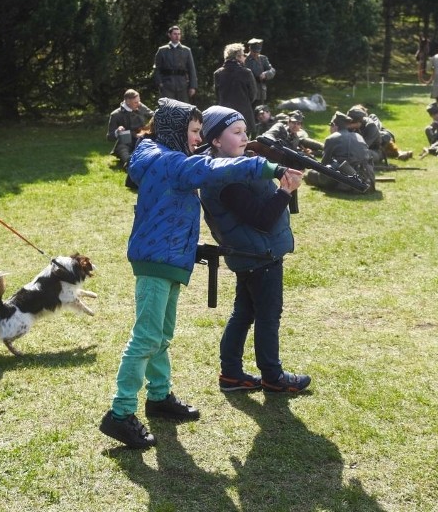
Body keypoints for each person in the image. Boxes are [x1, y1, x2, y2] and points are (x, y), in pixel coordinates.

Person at [99, 98, 294, 450]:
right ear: (175, 130)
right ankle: (120, 413)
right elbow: (216, 169)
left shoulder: (160, 158)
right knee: (145, 338)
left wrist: (193, 248)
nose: (197, 138)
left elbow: (169, 213)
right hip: (157, 261)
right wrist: (268, 168)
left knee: (161, 335)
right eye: (192, 131)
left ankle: (158, 398)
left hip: (168, 257)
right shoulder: (171, 161)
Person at [198, 105, 310, 394]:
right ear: (216, 141)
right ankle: (273, 376)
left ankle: (232, 374)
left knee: (244, 313)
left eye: (245, 131)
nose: (244, 137)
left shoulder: (237, 165)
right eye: (236, 133)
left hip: (252, 254)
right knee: (267, 316)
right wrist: (285, 191)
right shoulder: (227, 179)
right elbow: (262, 219)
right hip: (260, 256)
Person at [303, 111, 375, 192]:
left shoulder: (331, 138)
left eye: (330, 125)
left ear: (334, 126)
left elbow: (323, 166)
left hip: (348, 183)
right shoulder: (358, 136)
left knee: (310, 174)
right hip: (367, 178)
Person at [213, 43, 257, 136]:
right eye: (243, 55)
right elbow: (253, 95)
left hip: (225, 116)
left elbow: (217, 95)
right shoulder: (246, 73)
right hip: (243, 114)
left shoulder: (218, 74)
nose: (244, 57)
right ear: (238, 57)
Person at [346, 105, 413, 163]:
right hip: (361, 148)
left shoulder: (370, 125)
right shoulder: (350, 126)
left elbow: (363, 147)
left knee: (362, 154)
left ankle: (399, 153)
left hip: (374, 149)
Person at [106, 89, 154, 170]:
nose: (138, 104)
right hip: (126, 141)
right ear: (128, 101)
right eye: (135, 102)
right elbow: (109, 137)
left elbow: (153, 115)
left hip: (142, 138)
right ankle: (129, 164)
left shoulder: (140, 106)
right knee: (122, 147)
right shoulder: (116, 115)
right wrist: (117, 131)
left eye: (139, 101)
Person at [153, 26, 198, 102]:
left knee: (183, 109)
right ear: (169, 35)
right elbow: (157, 69)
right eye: (175, 34)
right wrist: (160, 83)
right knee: (168, 108)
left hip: (182, 85)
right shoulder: (162, 50)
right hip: (167, 85)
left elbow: (191, 69)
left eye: (179, 34)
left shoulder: (186, 50)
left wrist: (193, 86)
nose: (177, 36)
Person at [243, 38, 276, 107]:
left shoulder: (263, 59)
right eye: (254, 52)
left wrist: (265, 74)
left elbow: (272, 70)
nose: (256, 54)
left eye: (258, 52)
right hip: (247, 92)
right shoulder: (244, 59)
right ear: (250, 49)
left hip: (260, 92)